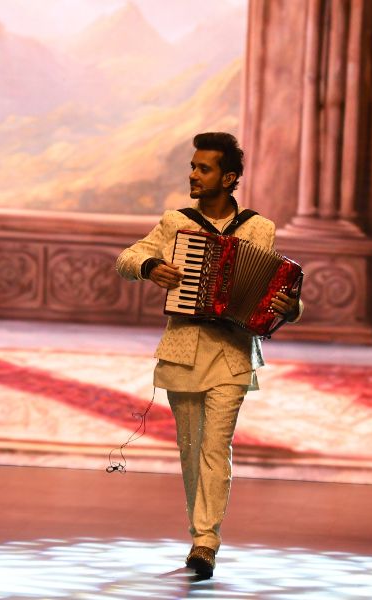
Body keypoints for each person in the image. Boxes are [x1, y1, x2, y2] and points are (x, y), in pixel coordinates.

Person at [115, 132, 302, 577]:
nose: (193, 175)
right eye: (193, 167)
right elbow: (127, 259)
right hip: (184, 349)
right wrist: (149, 267)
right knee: (191, 448)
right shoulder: (175, 223)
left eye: (203, 168)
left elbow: (274, 292)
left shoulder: (258, 228)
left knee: (217, 447)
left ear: (229, 177)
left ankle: (205, 543)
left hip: (233, 353)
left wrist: (291, 308)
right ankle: (198, 532)